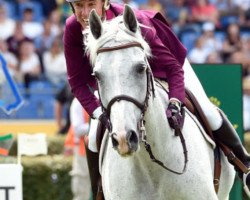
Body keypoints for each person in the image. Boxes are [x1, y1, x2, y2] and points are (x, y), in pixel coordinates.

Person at [63, 0, 250, 198]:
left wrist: (175, 102)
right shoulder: (72, 28)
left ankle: (244, 166)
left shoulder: (137, 22)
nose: (84, 12)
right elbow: (76, 82)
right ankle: (99, 191)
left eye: (91, 4)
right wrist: (99, 114)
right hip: (117, 81)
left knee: (208, 110)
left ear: (105, 2)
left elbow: (172, 68)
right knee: (93, 136)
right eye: (78, 5)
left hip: (164, 63)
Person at [64, 97, 91, 200]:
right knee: (81, 193)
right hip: (83, 154)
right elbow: (77, 129)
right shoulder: (78, 101)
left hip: (103, 154)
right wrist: (98, 125)